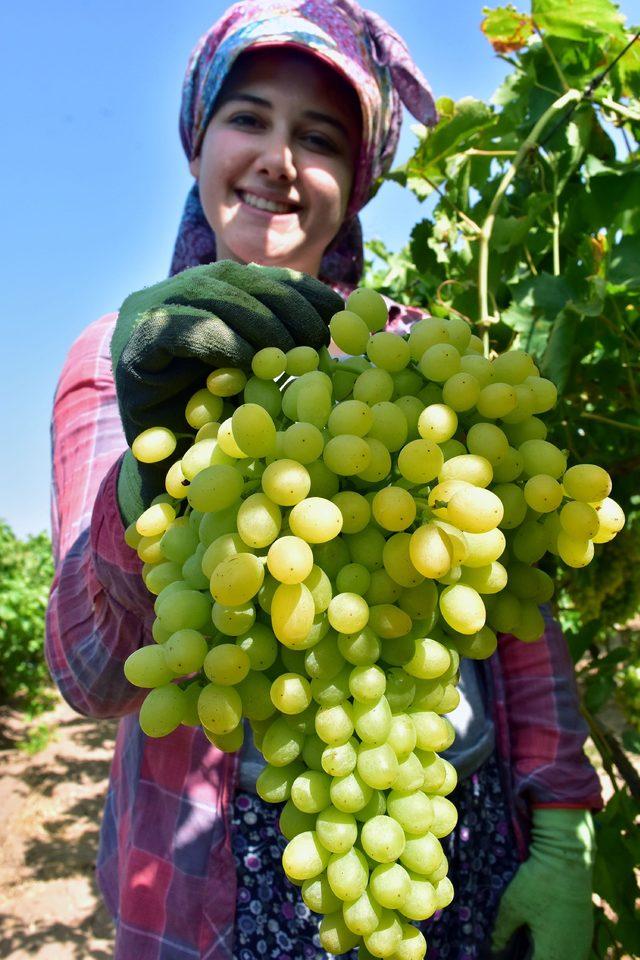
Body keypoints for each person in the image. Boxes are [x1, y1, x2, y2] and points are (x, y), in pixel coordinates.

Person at [45, 2, 602, 959]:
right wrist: (148, 485)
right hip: (208, 885)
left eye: (319, 138)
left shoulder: (419, 356)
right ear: (199, 143)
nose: (278, 159)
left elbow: (516, 612)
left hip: (437, 837)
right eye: (248, 118)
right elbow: (92, 677)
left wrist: (559, 825)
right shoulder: (125, 358)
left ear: (356, 180)